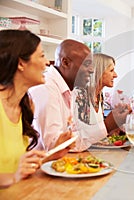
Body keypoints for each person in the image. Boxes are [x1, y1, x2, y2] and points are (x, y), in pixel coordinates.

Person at [0, 30, 71, 188]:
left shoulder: (25, 106)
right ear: (20, 63)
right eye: (41, 55)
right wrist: (13, 177)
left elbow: (18, 166)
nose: (47, 62)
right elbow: (14, 173)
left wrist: (51, 155)